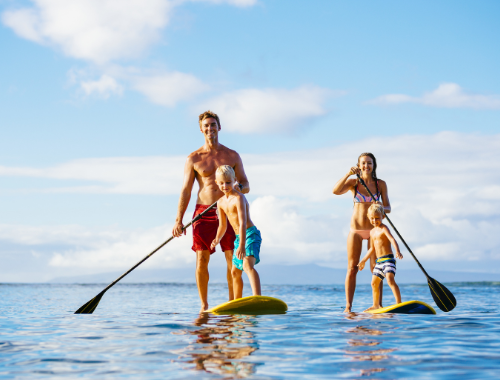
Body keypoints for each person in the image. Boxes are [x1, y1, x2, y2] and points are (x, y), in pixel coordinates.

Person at [172, 111, 250, 312]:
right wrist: (178, 220)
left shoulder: (232, 155)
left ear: (219, 127)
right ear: (201, 129)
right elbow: (186, 190)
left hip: (228, 210)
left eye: (213, 124)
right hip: (202, 212)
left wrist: (236, 189)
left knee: (233, 257)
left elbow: (246, 184)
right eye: (206, 125)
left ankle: (233, 303)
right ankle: (204, 306)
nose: (210, 128)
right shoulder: (194, 158)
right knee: (202, 259)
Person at [332, 152, 391, 313]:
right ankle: (348, 307)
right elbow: (335, 191)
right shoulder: (354, 183)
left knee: (376, 268)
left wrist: (380, 207)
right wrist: (348, 174)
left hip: (375, 231)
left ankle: (377, 305)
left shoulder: (381, 185)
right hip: (356, 231)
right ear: (359, 166)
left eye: (369, 163)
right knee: (352, 268)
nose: (366, 166)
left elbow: (388, 208)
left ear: (374, 165)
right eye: (363, 163)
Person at [211, 165, 262, 299]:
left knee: (246, 265)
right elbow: (222, 225)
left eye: (228, 182)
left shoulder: (238, 198)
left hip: (249, 234)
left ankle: (257, 297)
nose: (225, 186)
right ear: (216, 182)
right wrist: (217, 239)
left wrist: (242, 245)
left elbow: (243, 222)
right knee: (234, 271)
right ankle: (237, 301)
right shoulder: (220, 202)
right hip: (239, 238)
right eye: (222, 183)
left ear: (234, 180)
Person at [358, 204, 403, 311]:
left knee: (390, 280)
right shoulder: (372, 232)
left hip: (388, 259)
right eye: (372, 218)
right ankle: (376, 305)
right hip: (379, 262)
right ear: (369, 218)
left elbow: (392, 239)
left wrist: (397, 251)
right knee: (374, 283)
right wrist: (363, 260)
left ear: (383, 216)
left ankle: (399, 303)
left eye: (377, 218)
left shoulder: (384, 228)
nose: (374, 220)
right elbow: (372, 249)